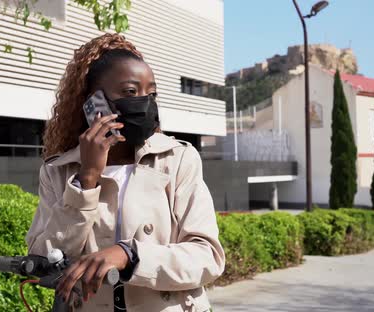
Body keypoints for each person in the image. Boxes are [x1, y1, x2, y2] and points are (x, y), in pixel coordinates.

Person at [26, 33, 225, 312]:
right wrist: (87, 179)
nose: (144, 103)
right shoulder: (58, 171)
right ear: (93, 102)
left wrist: (130, 255)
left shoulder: (178, 159)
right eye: (131, 92)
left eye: (151, 93)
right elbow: (42, 259)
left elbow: (208, 257)